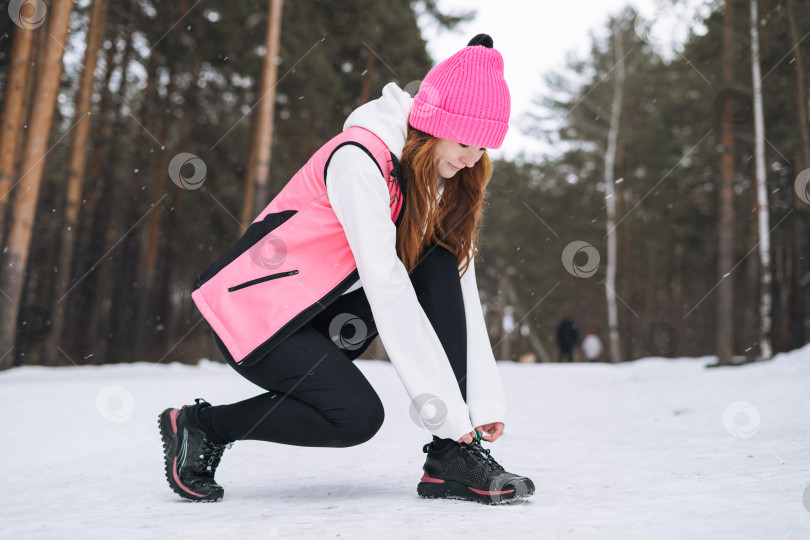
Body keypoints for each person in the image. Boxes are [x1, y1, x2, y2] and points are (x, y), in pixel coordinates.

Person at [158, 34, 534, 505]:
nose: (471, 160)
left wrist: (479, 405)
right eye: (463, 143)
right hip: (257, 322)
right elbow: (387, 287)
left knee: (438, 258)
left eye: (483, 150)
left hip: (309, 317)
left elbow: (459, 287)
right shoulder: (359, 160)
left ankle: (449, 460)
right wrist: (447, 413)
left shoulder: (423, 173)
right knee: (355, 418)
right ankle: (201, 426)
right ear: (432, 125)